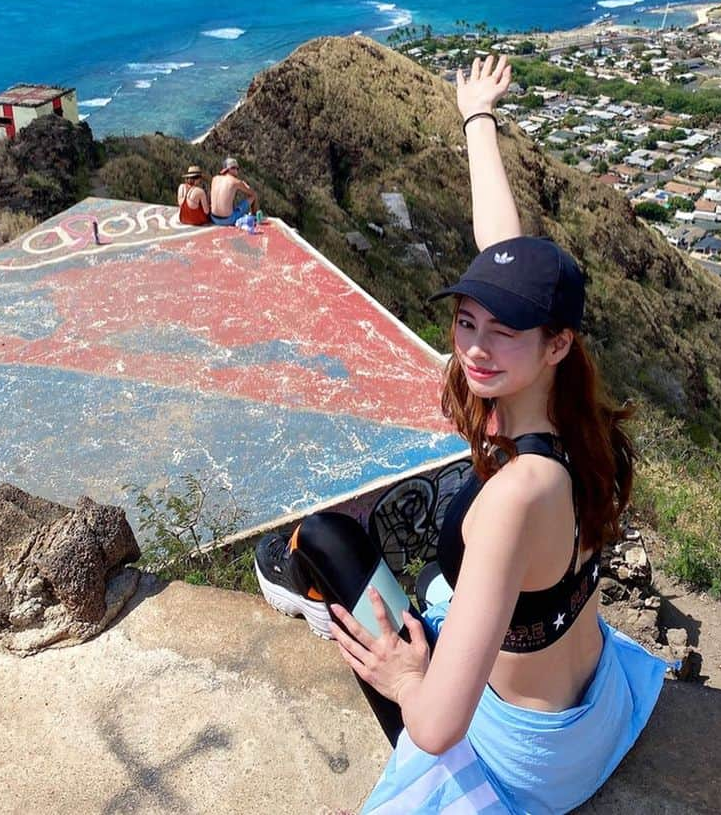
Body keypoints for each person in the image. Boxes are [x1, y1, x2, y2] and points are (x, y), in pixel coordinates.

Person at [253, 55, 666, 814]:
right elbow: (502, 248)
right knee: (436, 584)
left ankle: (303, 581)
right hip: (591, 703)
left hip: (528, 762)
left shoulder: (515, 497)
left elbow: (440, 724)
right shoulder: (575, 419)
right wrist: (478, 116)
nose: (475, 347)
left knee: (325, 542)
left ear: (556, 343)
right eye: (466, 321)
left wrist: (409, 679)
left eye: (501, 332)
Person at [210, 156, 257, 226]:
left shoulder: (215, 179)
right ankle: (255, 216)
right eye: (235, 168)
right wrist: (246, 186)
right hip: (227, 220)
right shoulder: (235, 181)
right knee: (253, 196)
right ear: (230, 169)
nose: (237, 171)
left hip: (213, 218)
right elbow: (252, 193)